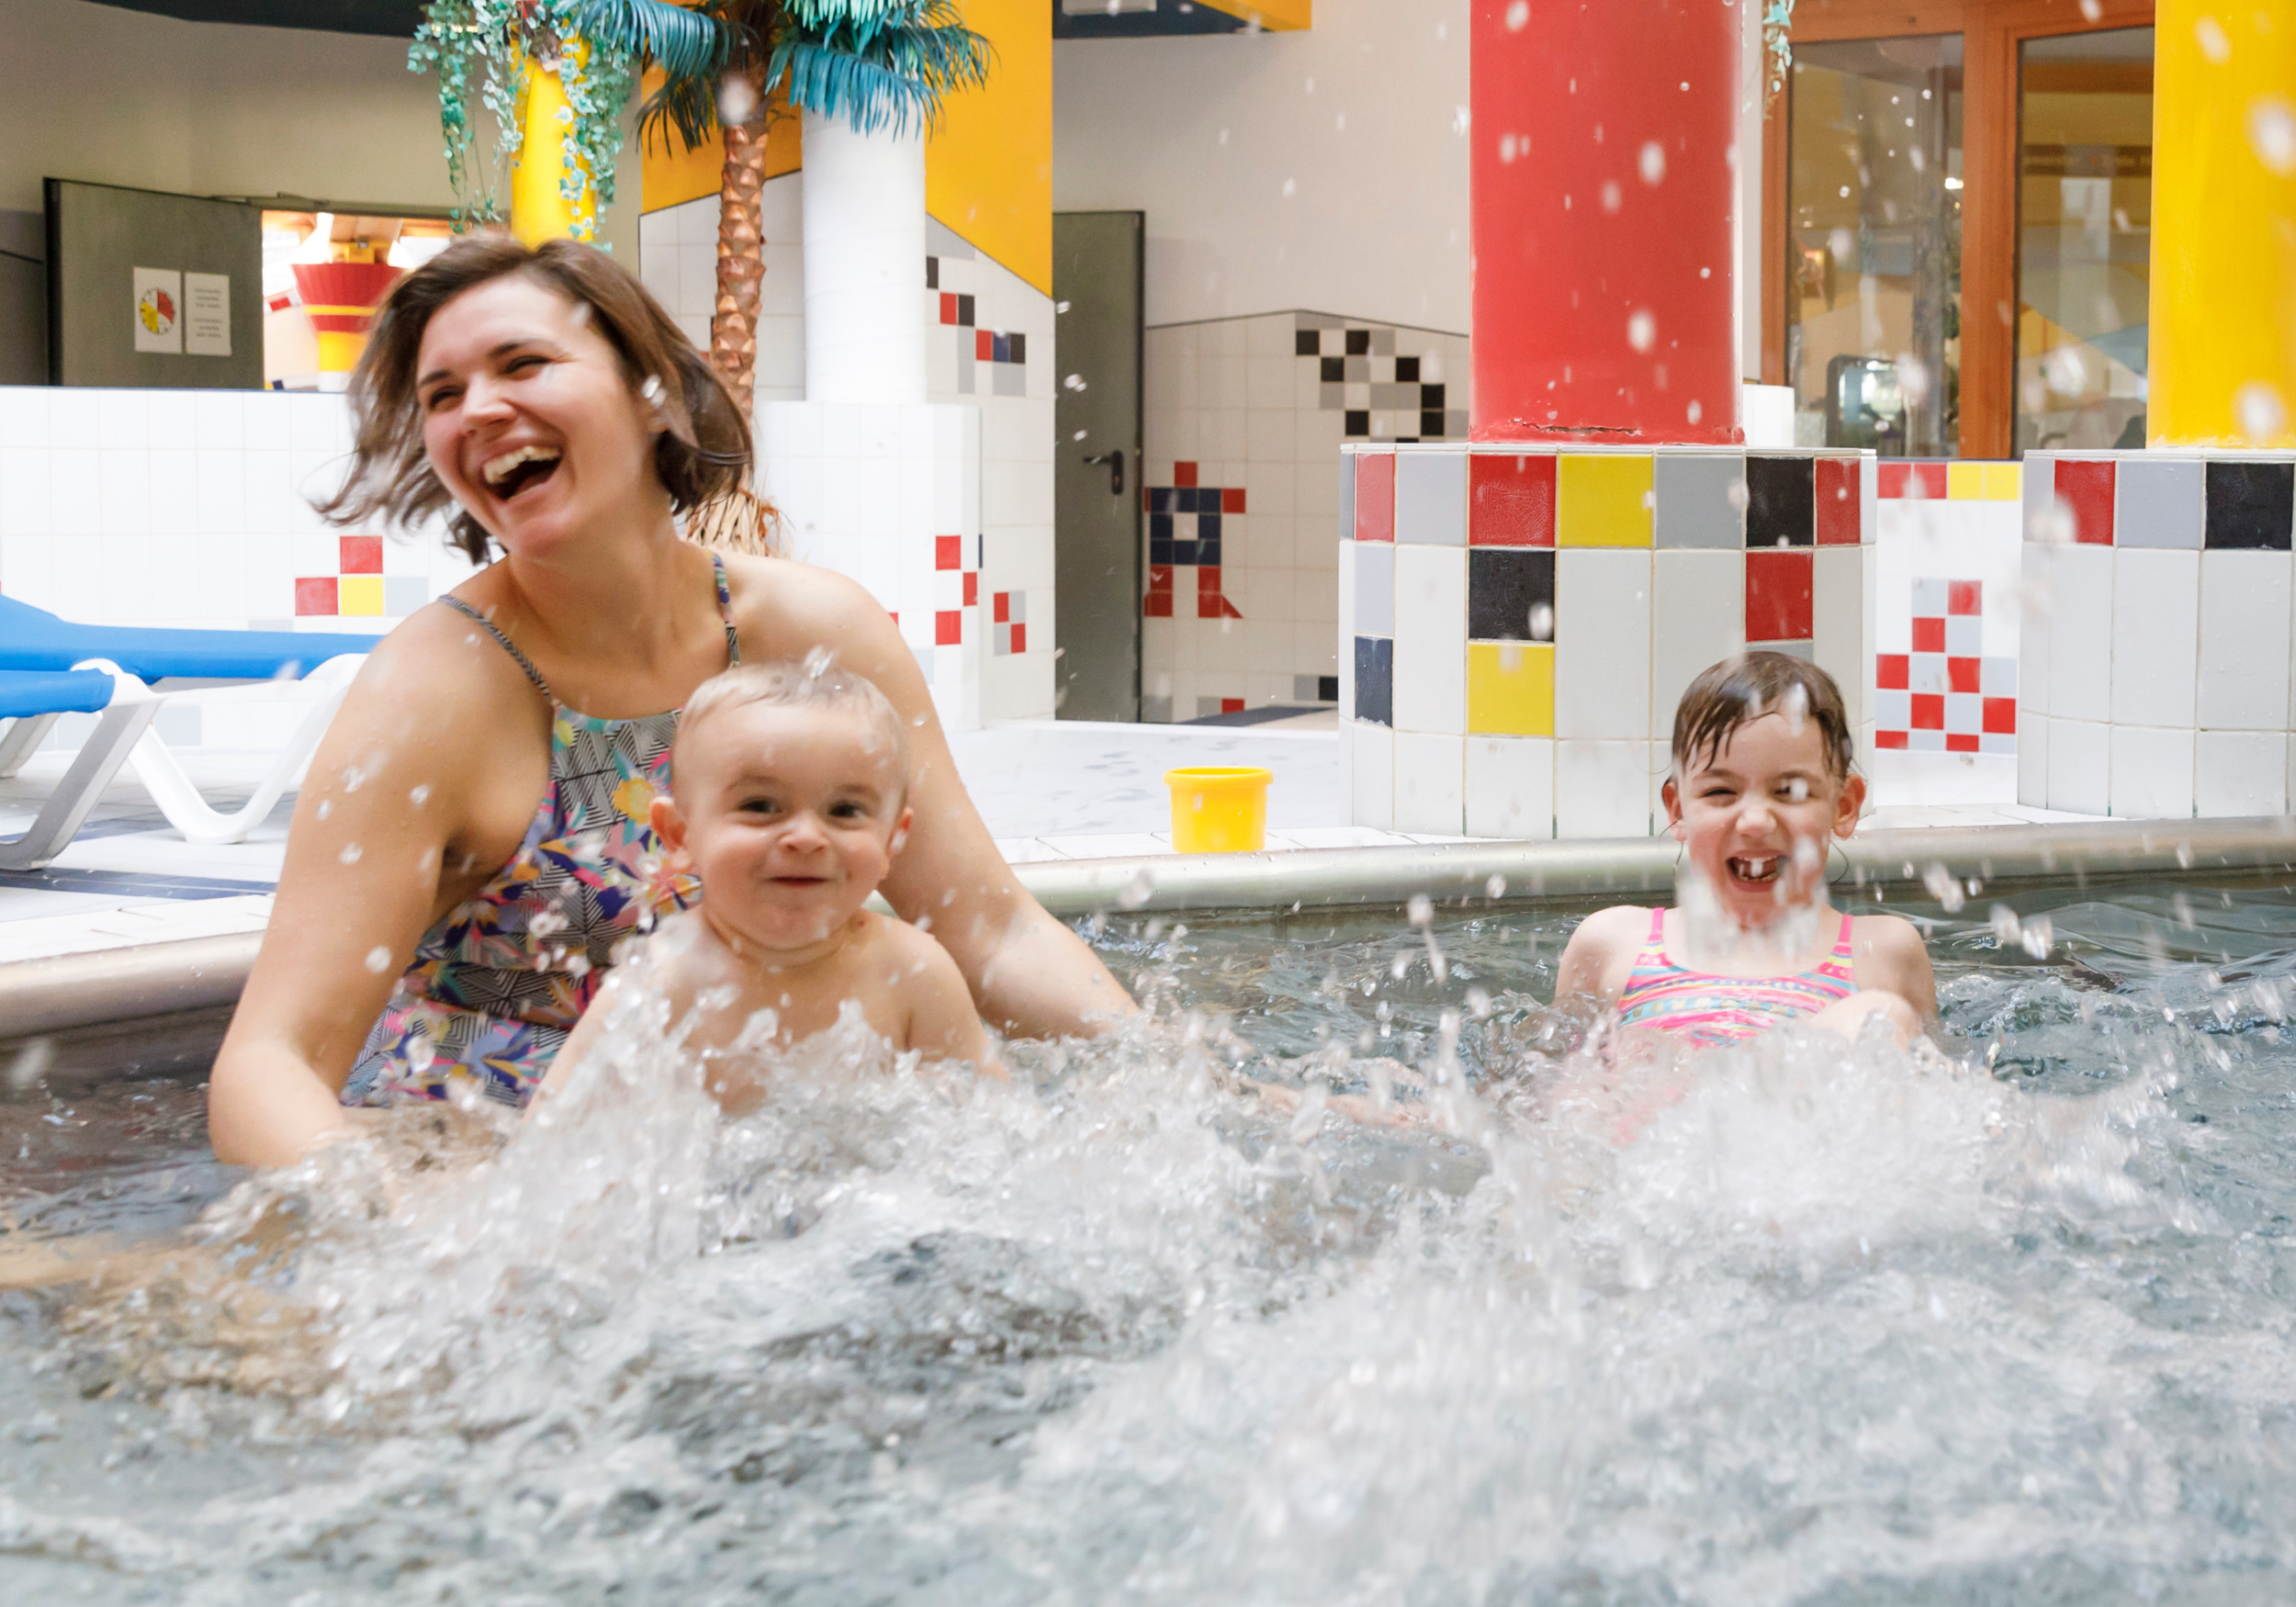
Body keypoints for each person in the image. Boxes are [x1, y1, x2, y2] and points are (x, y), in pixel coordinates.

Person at [208, 236, 1130, 1168]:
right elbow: (268, 1061)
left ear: (651, 392)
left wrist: (1173, 1083)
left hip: (770, 1154)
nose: (478, 409)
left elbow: (991, 927)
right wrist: (390, 1222)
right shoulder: (433, 692)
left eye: (522, 364)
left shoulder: (815, 631)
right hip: (488, 1170)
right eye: (441, 395)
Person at [534, 658, 994, 1115]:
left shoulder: (915, 973)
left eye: (845, 811)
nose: (808, 837)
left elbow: (993, 1131)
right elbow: (549, 1143)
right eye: (760, 805)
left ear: (893, 838)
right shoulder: (661, 983)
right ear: (679, 835)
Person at [1554, 652, 1935, 1047]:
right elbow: (1551, 1091)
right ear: (1679, 810)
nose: (1755, 821)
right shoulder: (1613, 944)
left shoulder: (1883, 951)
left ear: (1844, 806)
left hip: (1803, 1104)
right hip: (1652, 1103)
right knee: (1639, 1049)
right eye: (1721, 791)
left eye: (1790, 791)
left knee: (1880, 1019)